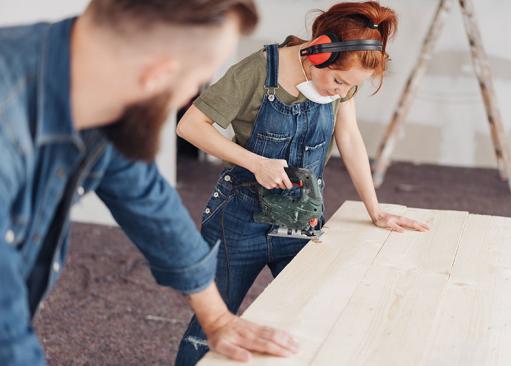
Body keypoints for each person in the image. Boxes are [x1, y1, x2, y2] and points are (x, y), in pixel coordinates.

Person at [0, 1, 299, 365]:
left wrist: (218, 319)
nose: (191, 94)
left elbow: (149, 201)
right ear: (155, 76)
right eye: (196, 81)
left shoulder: (87, 77)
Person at [176, 1, 431, 364]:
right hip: (238, 220)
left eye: (350, 88)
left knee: (314, 320)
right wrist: (255, 162)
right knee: (212, 327)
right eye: (338, 81)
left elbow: (351, 138)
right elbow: (189, 125)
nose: (340, 94)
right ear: (318, 52)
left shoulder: (343, 85)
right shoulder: (258, 70)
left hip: (302, 219)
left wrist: (376, 209)